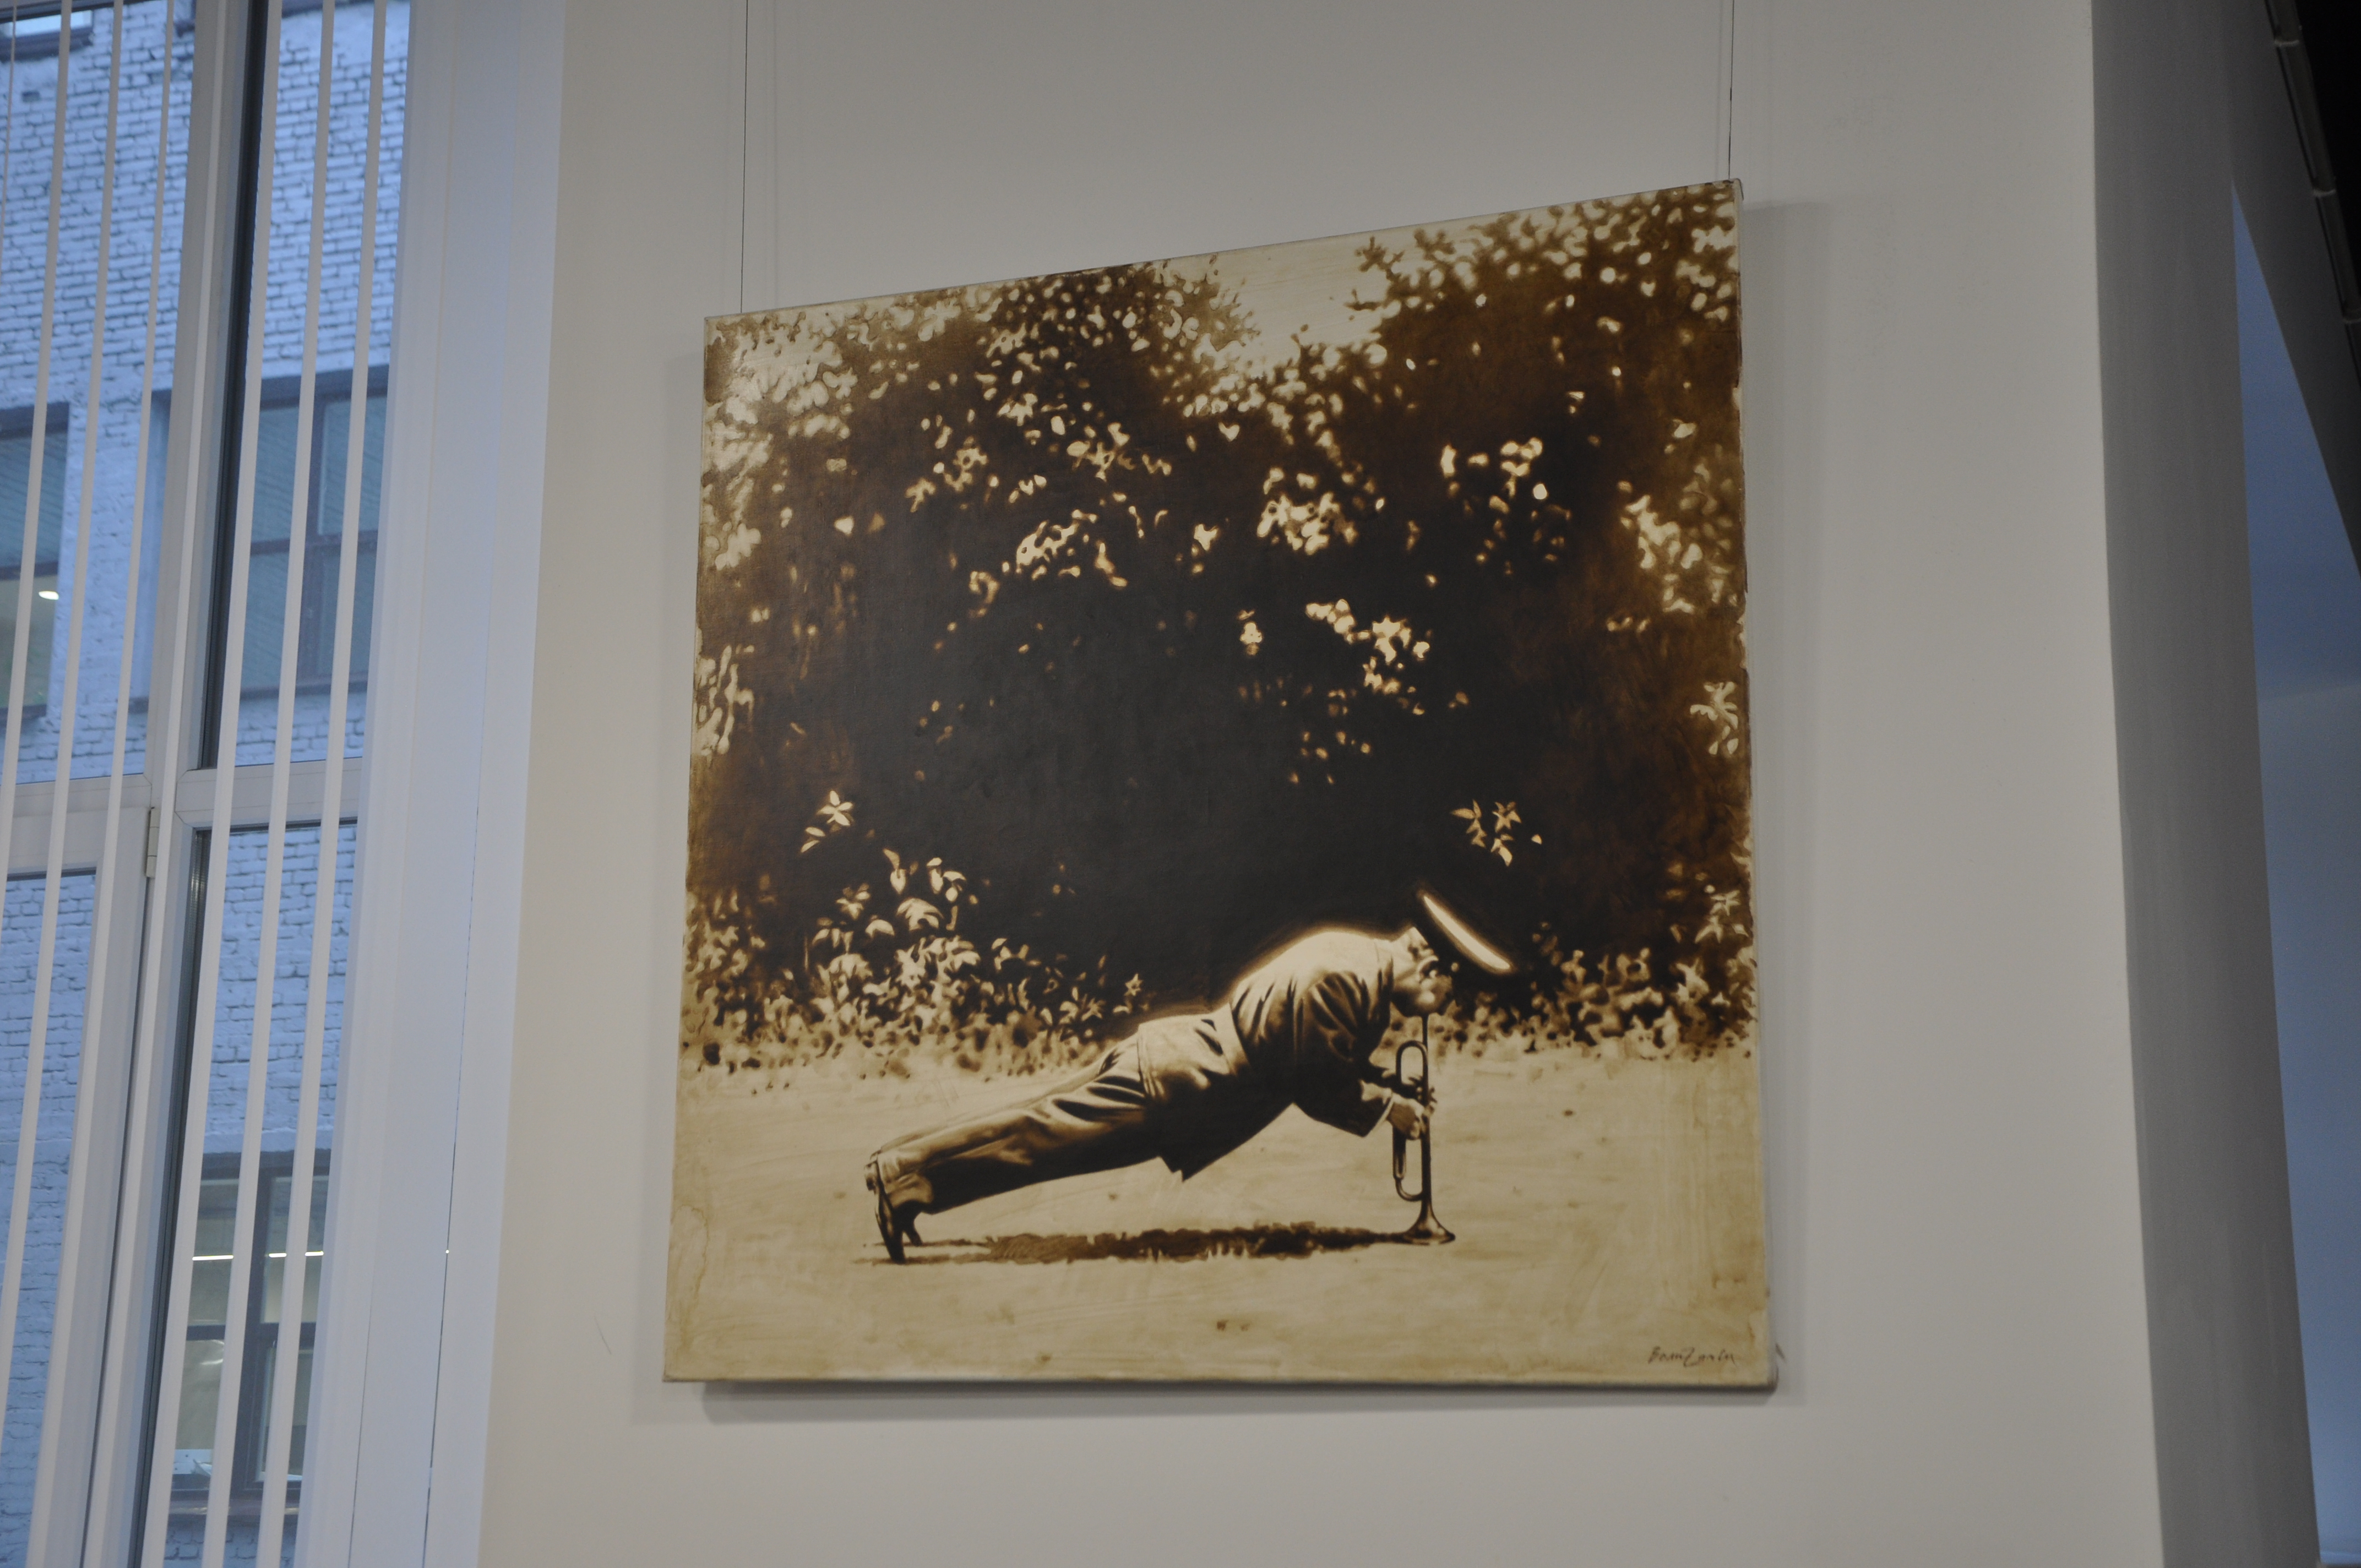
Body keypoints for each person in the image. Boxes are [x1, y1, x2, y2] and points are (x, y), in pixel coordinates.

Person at [863, 890, 1514, 1261]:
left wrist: (1385, 1086)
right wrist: (1387, 1106)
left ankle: (904, 1169)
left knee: (1036, 1128)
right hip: (1184, 1083)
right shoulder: (1344, 978)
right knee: (1039, 1142)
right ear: (1432, 967)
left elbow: (1312, 1050)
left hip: (1181, 1064)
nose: (1437, 1011)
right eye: (1446, 997)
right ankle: (906, 1177)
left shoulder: (1354, 959)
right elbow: (1315, 1080)